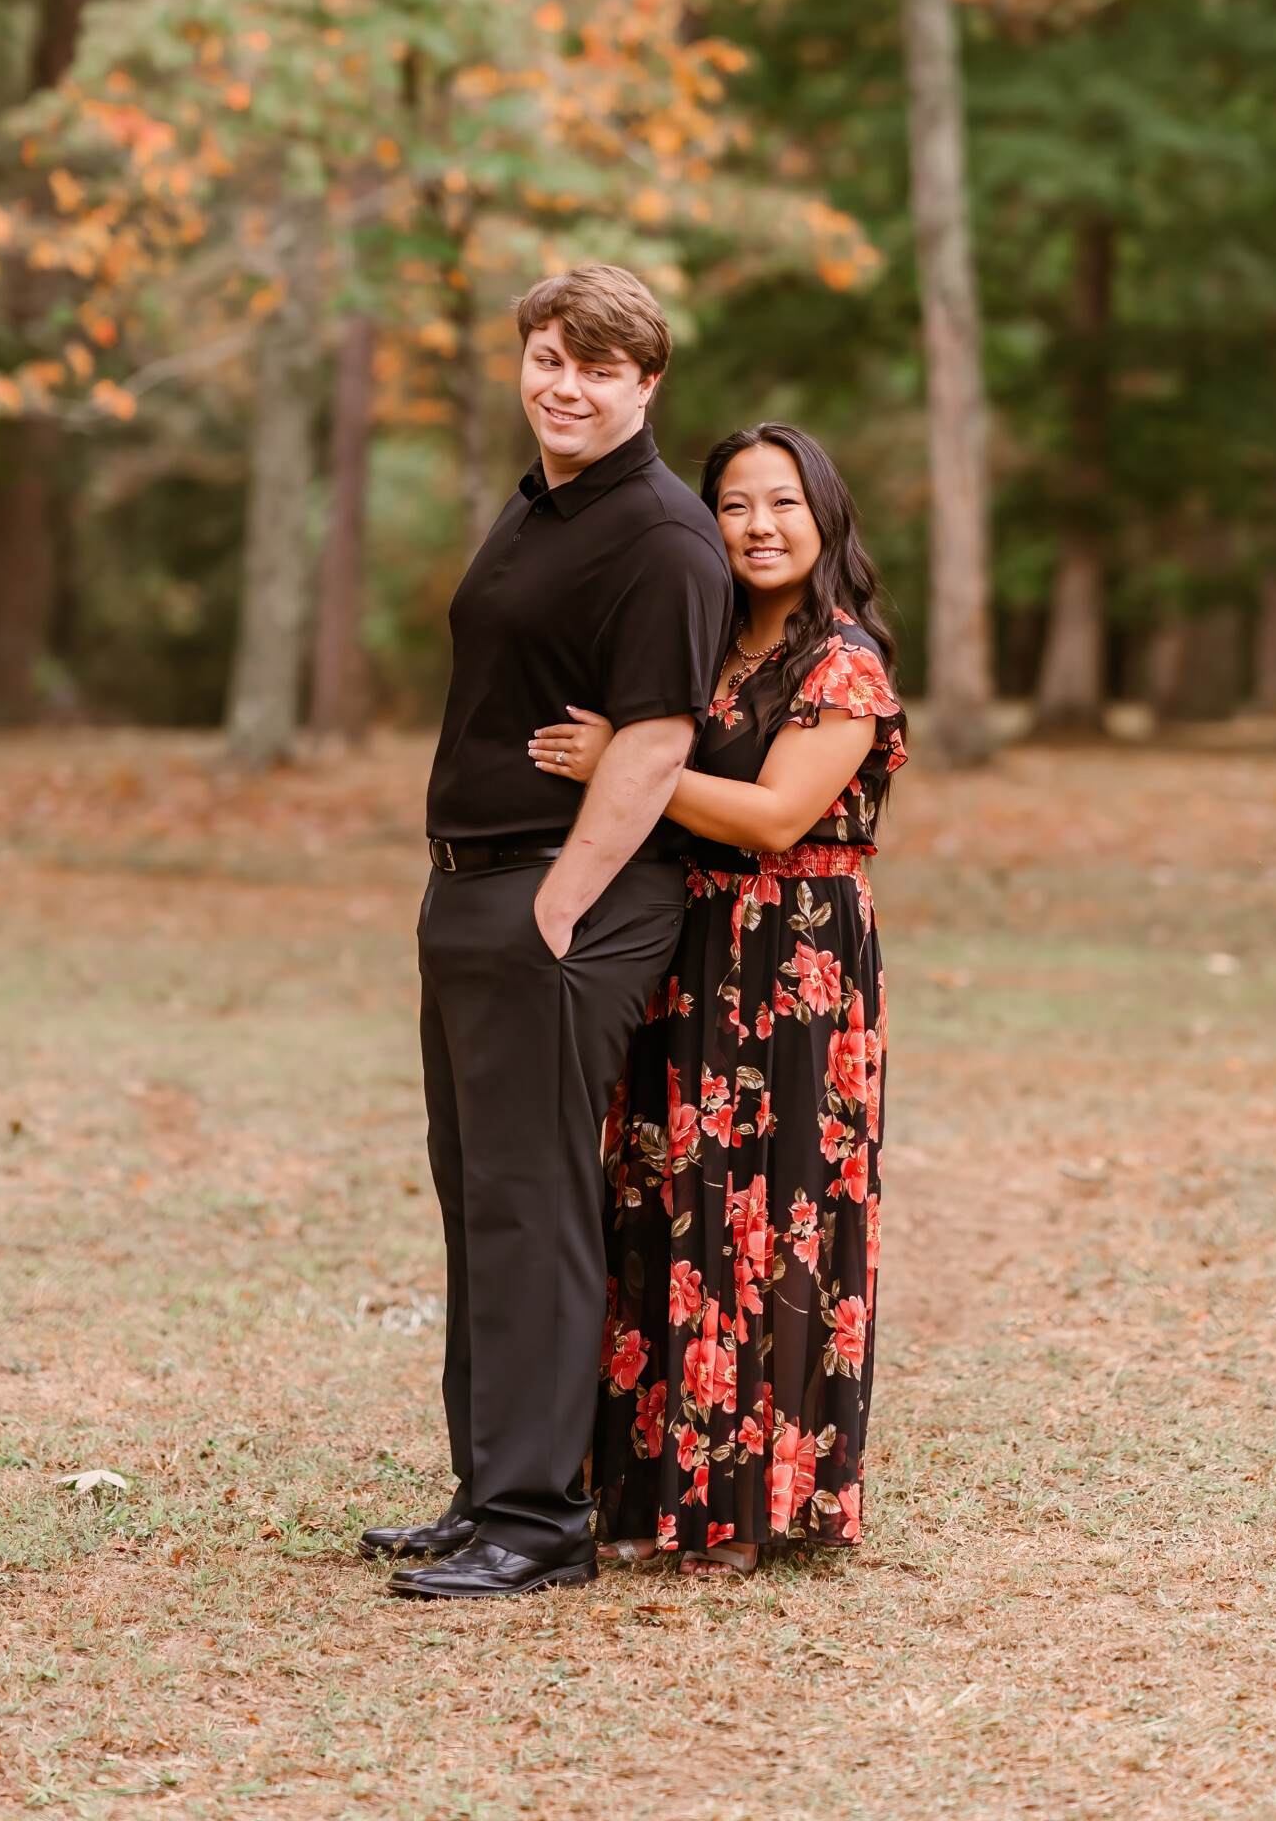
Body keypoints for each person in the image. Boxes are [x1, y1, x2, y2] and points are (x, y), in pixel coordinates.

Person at [365, 264, 733, 1602]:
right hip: (472, 886)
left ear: (646, 385)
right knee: (480, 1194)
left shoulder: (660, 534)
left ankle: (538, 1518)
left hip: (558, 897)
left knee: (533, 1202)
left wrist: (559, 900)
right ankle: (484, 1491)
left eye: (595, 366)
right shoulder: (540, 507)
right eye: (545, 357)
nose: (561, 385)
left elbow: (654, 738)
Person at [529, 423, 905, 1577]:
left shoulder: (843, 662)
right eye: (735, 504)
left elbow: (774, 816)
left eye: (783, 502)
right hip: (684, 945)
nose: (758, 525)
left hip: (797, 963)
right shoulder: (703, 653)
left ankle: (745, 1506)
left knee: (771, 1214)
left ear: (825, 515)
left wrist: (624, 768)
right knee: (666, 1202)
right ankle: (647, 1491)